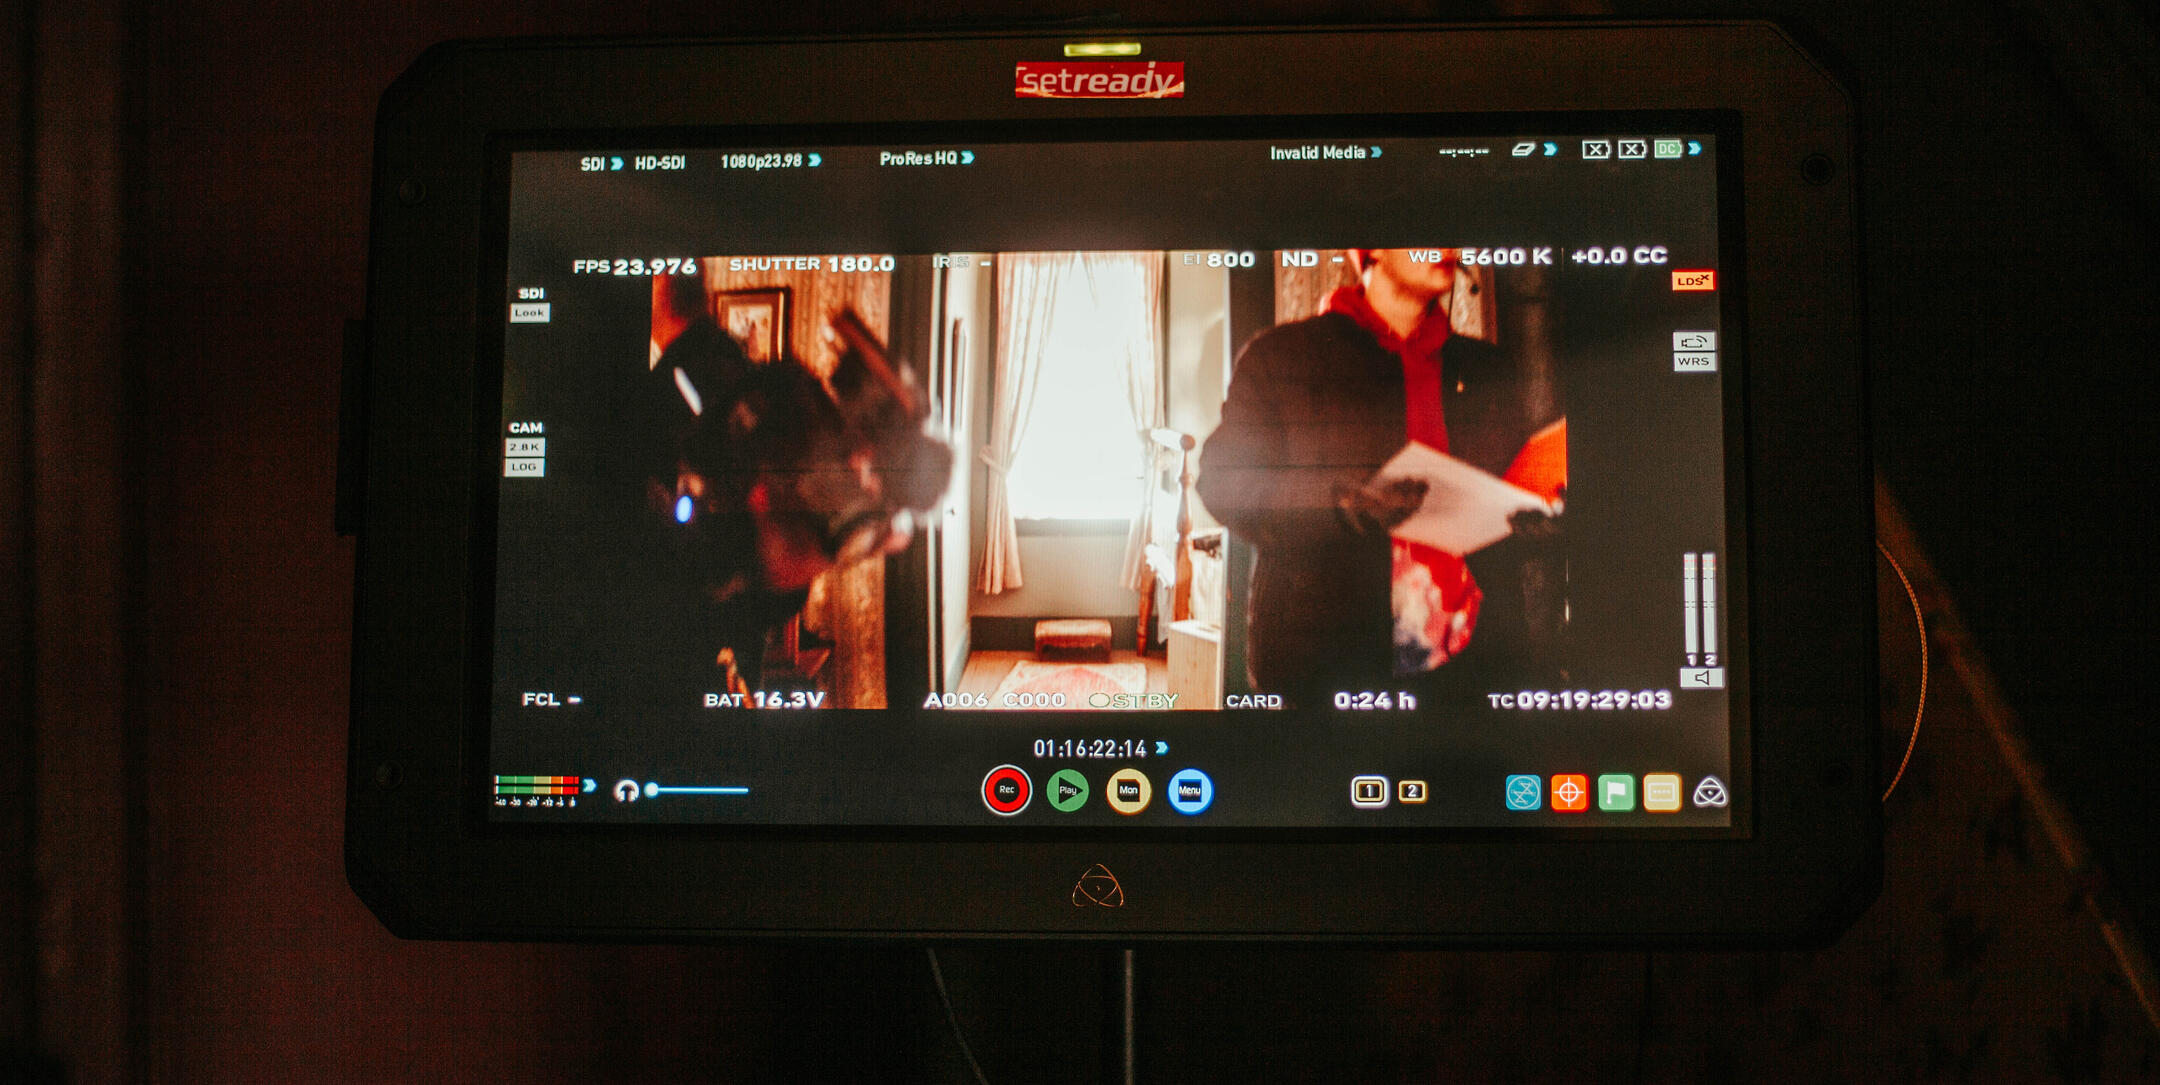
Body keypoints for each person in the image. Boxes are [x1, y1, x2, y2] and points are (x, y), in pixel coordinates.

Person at [1196, 249, 1566, 708]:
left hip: (1471, 656)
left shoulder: (1486, 367)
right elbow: (1223, 480)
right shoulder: (1284, 356)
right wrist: (1341, 504)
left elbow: (1510, 488)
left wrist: (1540, 515)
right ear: (1369, 251)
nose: (1447, 248)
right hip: (1326, 657)